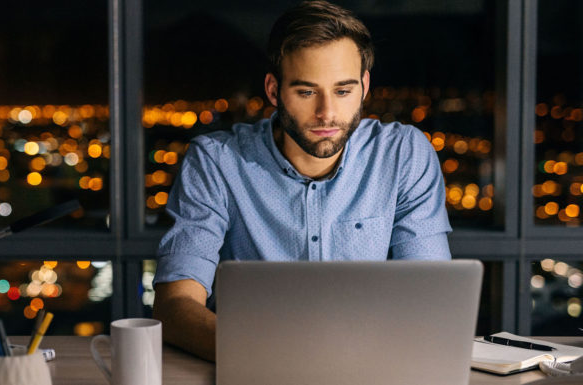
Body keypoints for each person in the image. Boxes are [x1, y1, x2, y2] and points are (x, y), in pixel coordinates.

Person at [151, 0, 452, 362]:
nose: (326, 112)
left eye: (343, 91)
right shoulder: (216, 161)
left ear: (365, 86)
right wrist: (266, 358)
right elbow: (176, 305)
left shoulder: (404, 154)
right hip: (251, 369)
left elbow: (429, 301)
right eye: (306, 92)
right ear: (274, 90)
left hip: (368, 367)